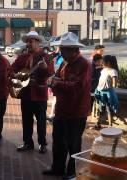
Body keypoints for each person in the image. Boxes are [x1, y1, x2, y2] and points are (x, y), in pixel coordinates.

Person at [42, 32, 91, 180]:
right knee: (58, 142)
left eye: (63, 49)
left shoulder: (84, 65)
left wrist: (56, 83)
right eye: (61, 49)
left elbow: (77, 87)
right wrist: (52, 80)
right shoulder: (64, 62)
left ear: (73, 50)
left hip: (76, 112)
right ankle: (57, 168)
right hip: (62, 110)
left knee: (73, 144)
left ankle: (72, 172)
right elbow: (56, 77)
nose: (61, 52)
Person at [10, 31, 54, 154]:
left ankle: (42, 143)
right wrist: (16, 75)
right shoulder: (22, 57)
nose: (28, 44)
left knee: (41, 121)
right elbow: (11, 69)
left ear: (38, 42)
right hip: (26, 94)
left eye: (31, 41)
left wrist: (45, 67)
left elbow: (50, 73)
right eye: (27, 41)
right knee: (26, 120)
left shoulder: (45, 57)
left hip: (39, 94)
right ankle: (27, 143)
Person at [94, 55, 119, 129]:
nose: (101, 63)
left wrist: (113, 85)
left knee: (109, 109)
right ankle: (98, 123)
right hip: (100, 91)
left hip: (108, 93)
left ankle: (110, 126)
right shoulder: (104, 69)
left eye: (103, 61)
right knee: (101, 109)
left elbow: (114, 83)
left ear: (108, 62)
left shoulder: (113, 71)